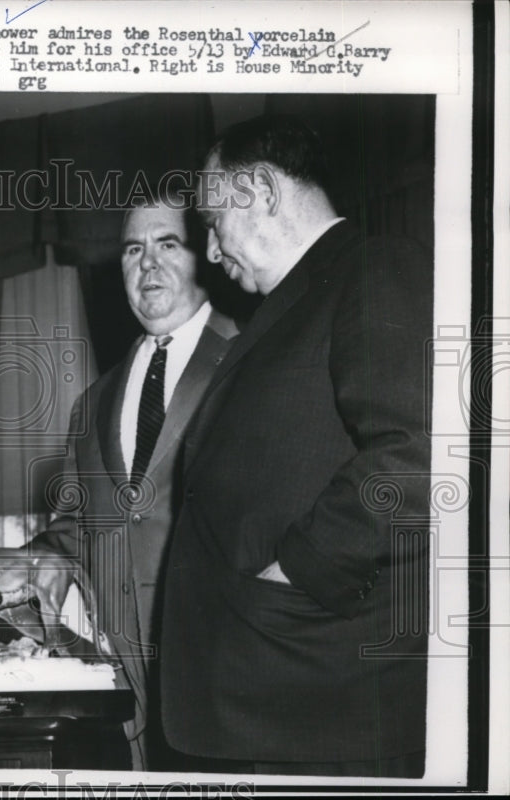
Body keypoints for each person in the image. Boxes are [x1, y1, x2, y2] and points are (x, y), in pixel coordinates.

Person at [159, 115, 432, 776]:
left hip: (316, 695)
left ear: (258, 190)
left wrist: (297, 571)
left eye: (214, 221)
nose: (213, 250)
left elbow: (417, 456)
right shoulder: (286, 306)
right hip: (266, 698)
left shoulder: (374, 266)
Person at [34, 198, 237, 771]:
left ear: (208, 253)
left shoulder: (250, 362)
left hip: (222, 683)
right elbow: (77, 528)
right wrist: (34, 562)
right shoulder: (92, 404)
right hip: (125, 700)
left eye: (167, 244)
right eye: (132, 249)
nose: (148, 263)